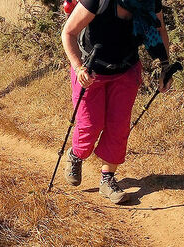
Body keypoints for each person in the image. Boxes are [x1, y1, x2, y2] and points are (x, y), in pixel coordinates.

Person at [61, 0, 172, 204]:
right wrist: (78, 68)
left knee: (118, 128)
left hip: (126, 70)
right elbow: (68, 33)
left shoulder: (149, 2)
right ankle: (76, 155)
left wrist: (165, 66)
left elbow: (160, 29)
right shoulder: (98, 1)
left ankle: (107, 180)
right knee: (90, 125)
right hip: (90, 71)